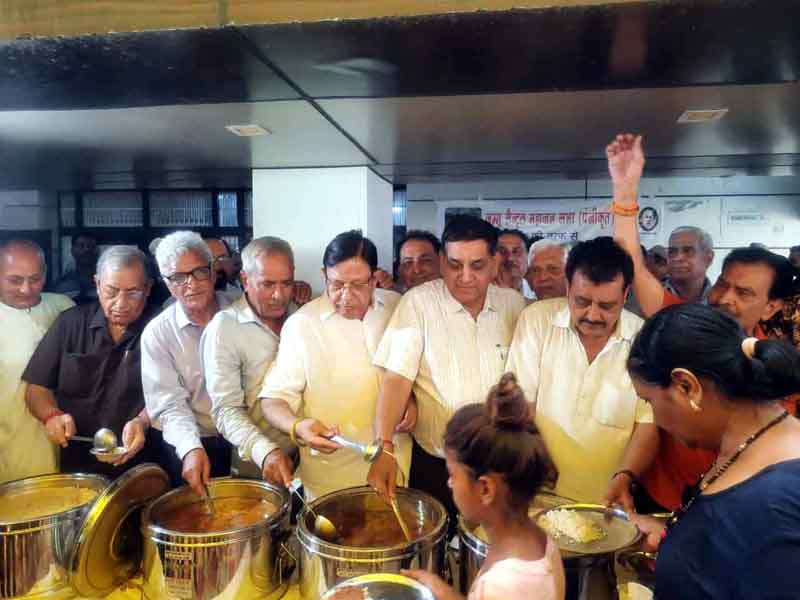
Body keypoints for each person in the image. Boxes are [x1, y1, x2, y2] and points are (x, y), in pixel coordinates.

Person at [610, 132, 797, 510]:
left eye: (744, 293)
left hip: (734, 513)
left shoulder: (778, 371)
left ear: (772, 306)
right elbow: (631, 261)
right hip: (659, 500)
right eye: (724, 285)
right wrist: (625, 192)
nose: (726, 298)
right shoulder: (680, 329)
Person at [625, 303, 800, 599]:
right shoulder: (751, 448)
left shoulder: (772, 506)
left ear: (686, 386)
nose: (655, 419)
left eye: (649, 401)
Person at [369, 215, 526, 518]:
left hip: (501, 464)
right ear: (442, 261)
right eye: (455, 265)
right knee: (436, 549)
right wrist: (384, 447)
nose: (465, 276)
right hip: (437, 466)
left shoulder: (513, 305)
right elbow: (396, 380)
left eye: (477, 266)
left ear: (495, 262)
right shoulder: (418, 304)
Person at [259, 231, 410, 499]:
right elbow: (273, 399)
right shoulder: (303, 325)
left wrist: (412, 401)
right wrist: (297, 426)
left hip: (395, 461)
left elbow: (408, 371)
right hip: (333, 475)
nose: (346, 296)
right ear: (323, 275)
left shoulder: (396, 307)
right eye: (336, 284)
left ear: (375, 279)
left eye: (358, 285)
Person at [506, 237, 657, 505]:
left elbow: (647, 426)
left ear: (626, 294)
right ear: (567, 287)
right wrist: (538, 458)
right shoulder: (537, 321)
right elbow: (520, 403)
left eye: (606, 306)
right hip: (537, 492)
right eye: (582, 301)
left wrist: (624, 478)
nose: (592, 315)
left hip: (607, 501)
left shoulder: (644, 339)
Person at [404, 373, 565, 600]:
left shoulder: (504, 585)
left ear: (485, 489)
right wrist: (442, 591)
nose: (449, 483)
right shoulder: (543, 544)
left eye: (453, 474)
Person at [22, 245, 160, 477]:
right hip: (78, 465)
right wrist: (51, 415)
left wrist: (142, 421)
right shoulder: (70, 324)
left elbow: (174, 392)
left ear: (147, 289)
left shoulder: (161, 329)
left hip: (145, 462)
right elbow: (37, 388)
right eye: (111, 291)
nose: (120, 303)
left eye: (133, 292)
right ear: (97, 284)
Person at [141, 232, 232, 494]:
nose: (190, 284)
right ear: (167, 284)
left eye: (198, 272)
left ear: (213, 272)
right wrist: (190, 448)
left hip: (248, 441)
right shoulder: (158, 333)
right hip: (192, 442)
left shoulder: (240, 311)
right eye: (178, 278)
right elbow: (168, 405)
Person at [203, 236, 298, 485]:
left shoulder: (301, 316)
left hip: (310, 457)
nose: (279, 295)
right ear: (245, 280)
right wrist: (265, 451)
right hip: (256, 464)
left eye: (286, 283)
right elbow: (225, 410)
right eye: (267, 284)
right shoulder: (225, 328)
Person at [0, 240, 74, 483]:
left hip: (67, 436)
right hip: (10, 445)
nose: (26, 289)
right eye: (14, 280)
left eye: (35, 279)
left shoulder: (63, 307)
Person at [53, 233, 99, 304]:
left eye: (91, 246)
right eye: (81, 246)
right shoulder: (61, 284)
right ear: (72, 250)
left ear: (97, 251)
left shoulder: (106, 281)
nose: (86, 249)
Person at [494, 229, 528, 294]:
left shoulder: (537, 292)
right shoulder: (480, 293)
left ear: (527, 257)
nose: (510, 258)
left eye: (516, 251)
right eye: (502, 252)